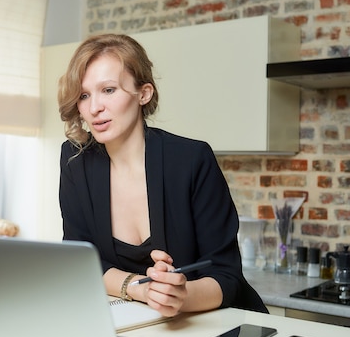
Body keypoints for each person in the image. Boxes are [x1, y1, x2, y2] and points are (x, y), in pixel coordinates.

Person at [57, 34, 267, 317]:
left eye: (108, 90)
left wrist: (182, 295)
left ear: (144, 93)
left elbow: (227, 276)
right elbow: (79, 263)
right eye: (84, 95)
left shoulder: (192, 160)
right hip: (142, 329)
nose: (94, 108)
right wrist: (139, 288)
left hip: (221, 328)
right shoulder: (75, 162)